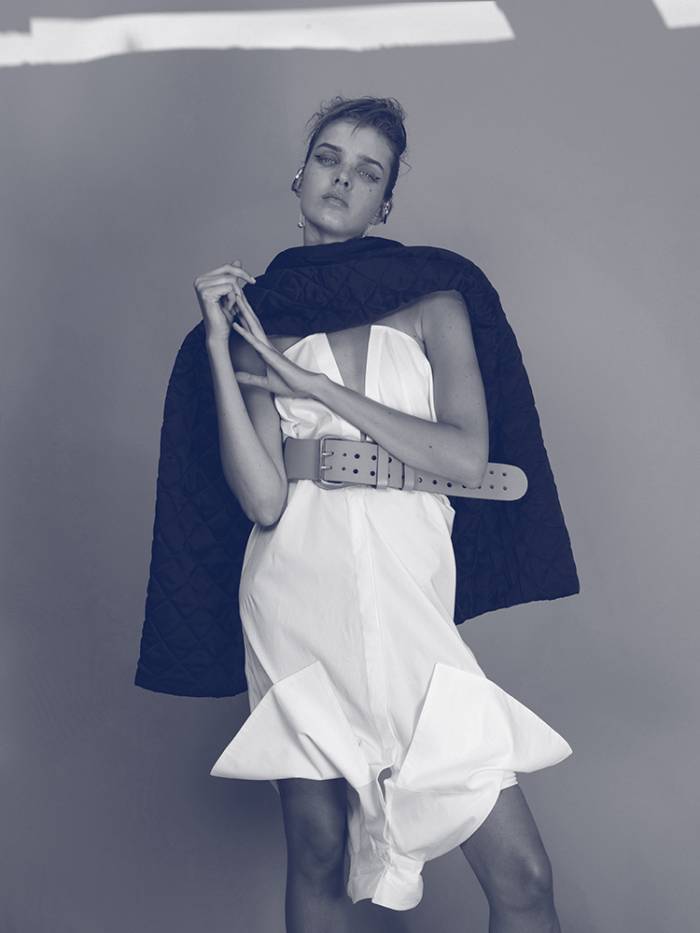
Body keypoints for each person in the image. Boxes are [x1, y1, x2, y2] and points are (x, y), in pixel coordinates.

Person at [195, 96, 572, 932]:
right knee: (319, 849)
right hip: (297, 595)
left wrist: (317, 389)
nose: (342, 179)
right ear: (299, 175)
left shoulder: (436, 303)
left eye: (367, 173)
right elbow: (263, 498)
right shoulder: (263, 320)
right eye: (329, 159)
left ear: (386, 204)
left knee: (523, 875)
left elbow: (464, 457)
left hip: (408, 597)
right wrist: (221, 347)